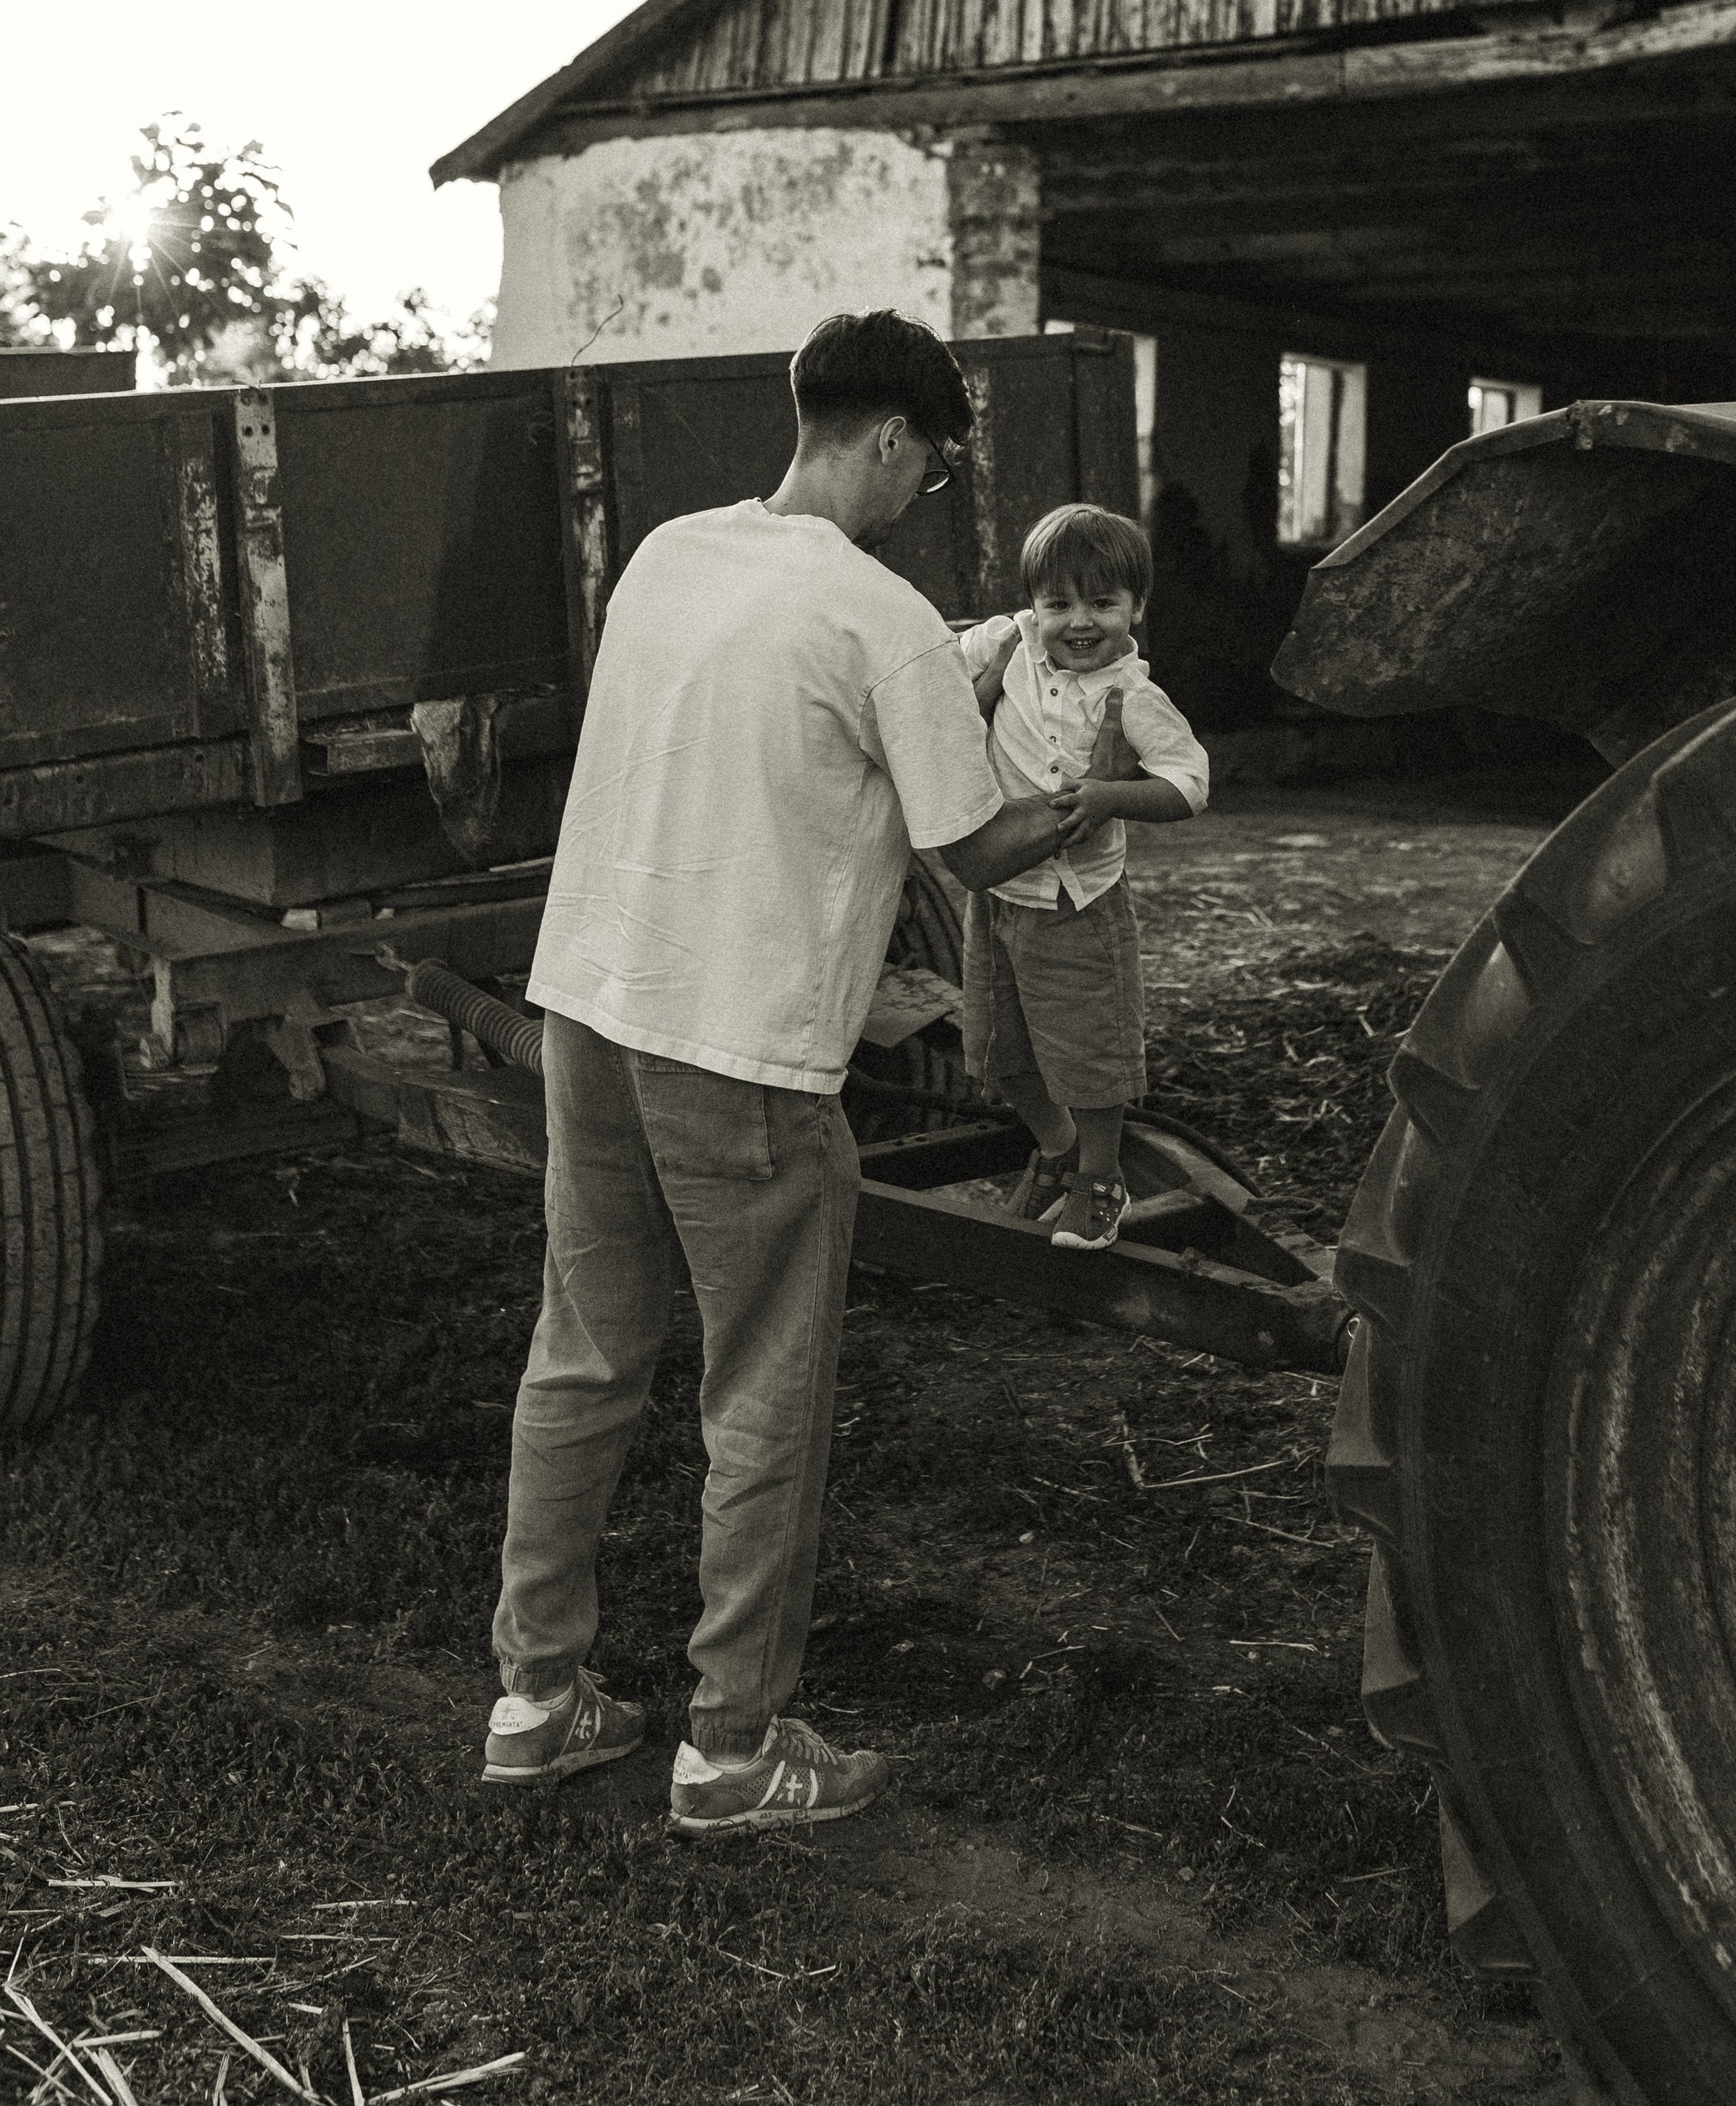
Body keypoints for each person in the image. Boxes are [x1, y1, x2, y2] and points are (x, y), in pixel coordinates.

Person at [479, 310, 1083, 1840]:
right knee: (763, 1395)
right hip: (736, 1053)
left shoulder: (677, 556)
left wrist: (956, 661)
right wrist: (1100, 794)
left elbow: (793, 684)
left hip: (593, 1009)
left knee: (584, 1354)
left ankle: (534, 1702)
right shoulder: (877, 617)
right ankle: (731, 1748)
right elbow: (973, 839)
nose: (921, 497)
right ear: (892, 441)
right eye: (931, 472)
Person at [957, 502, 1209, 1252]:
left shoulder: (1134, 696)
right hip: (998, 892)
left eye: (1103, 603)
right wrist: (982, 687)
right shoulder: (1008, 643)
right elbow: (928, 678)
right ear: (1032, 605)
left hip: (1078, 904)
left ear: (1137, 608)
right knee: (1003, 1052)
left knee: (1087, 1055)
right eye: (1058, 602)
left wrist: (1111, 797)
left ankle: (1102, 1176)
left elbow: (1190, 784)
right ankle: (1057, 1148)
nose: (1079, 621)